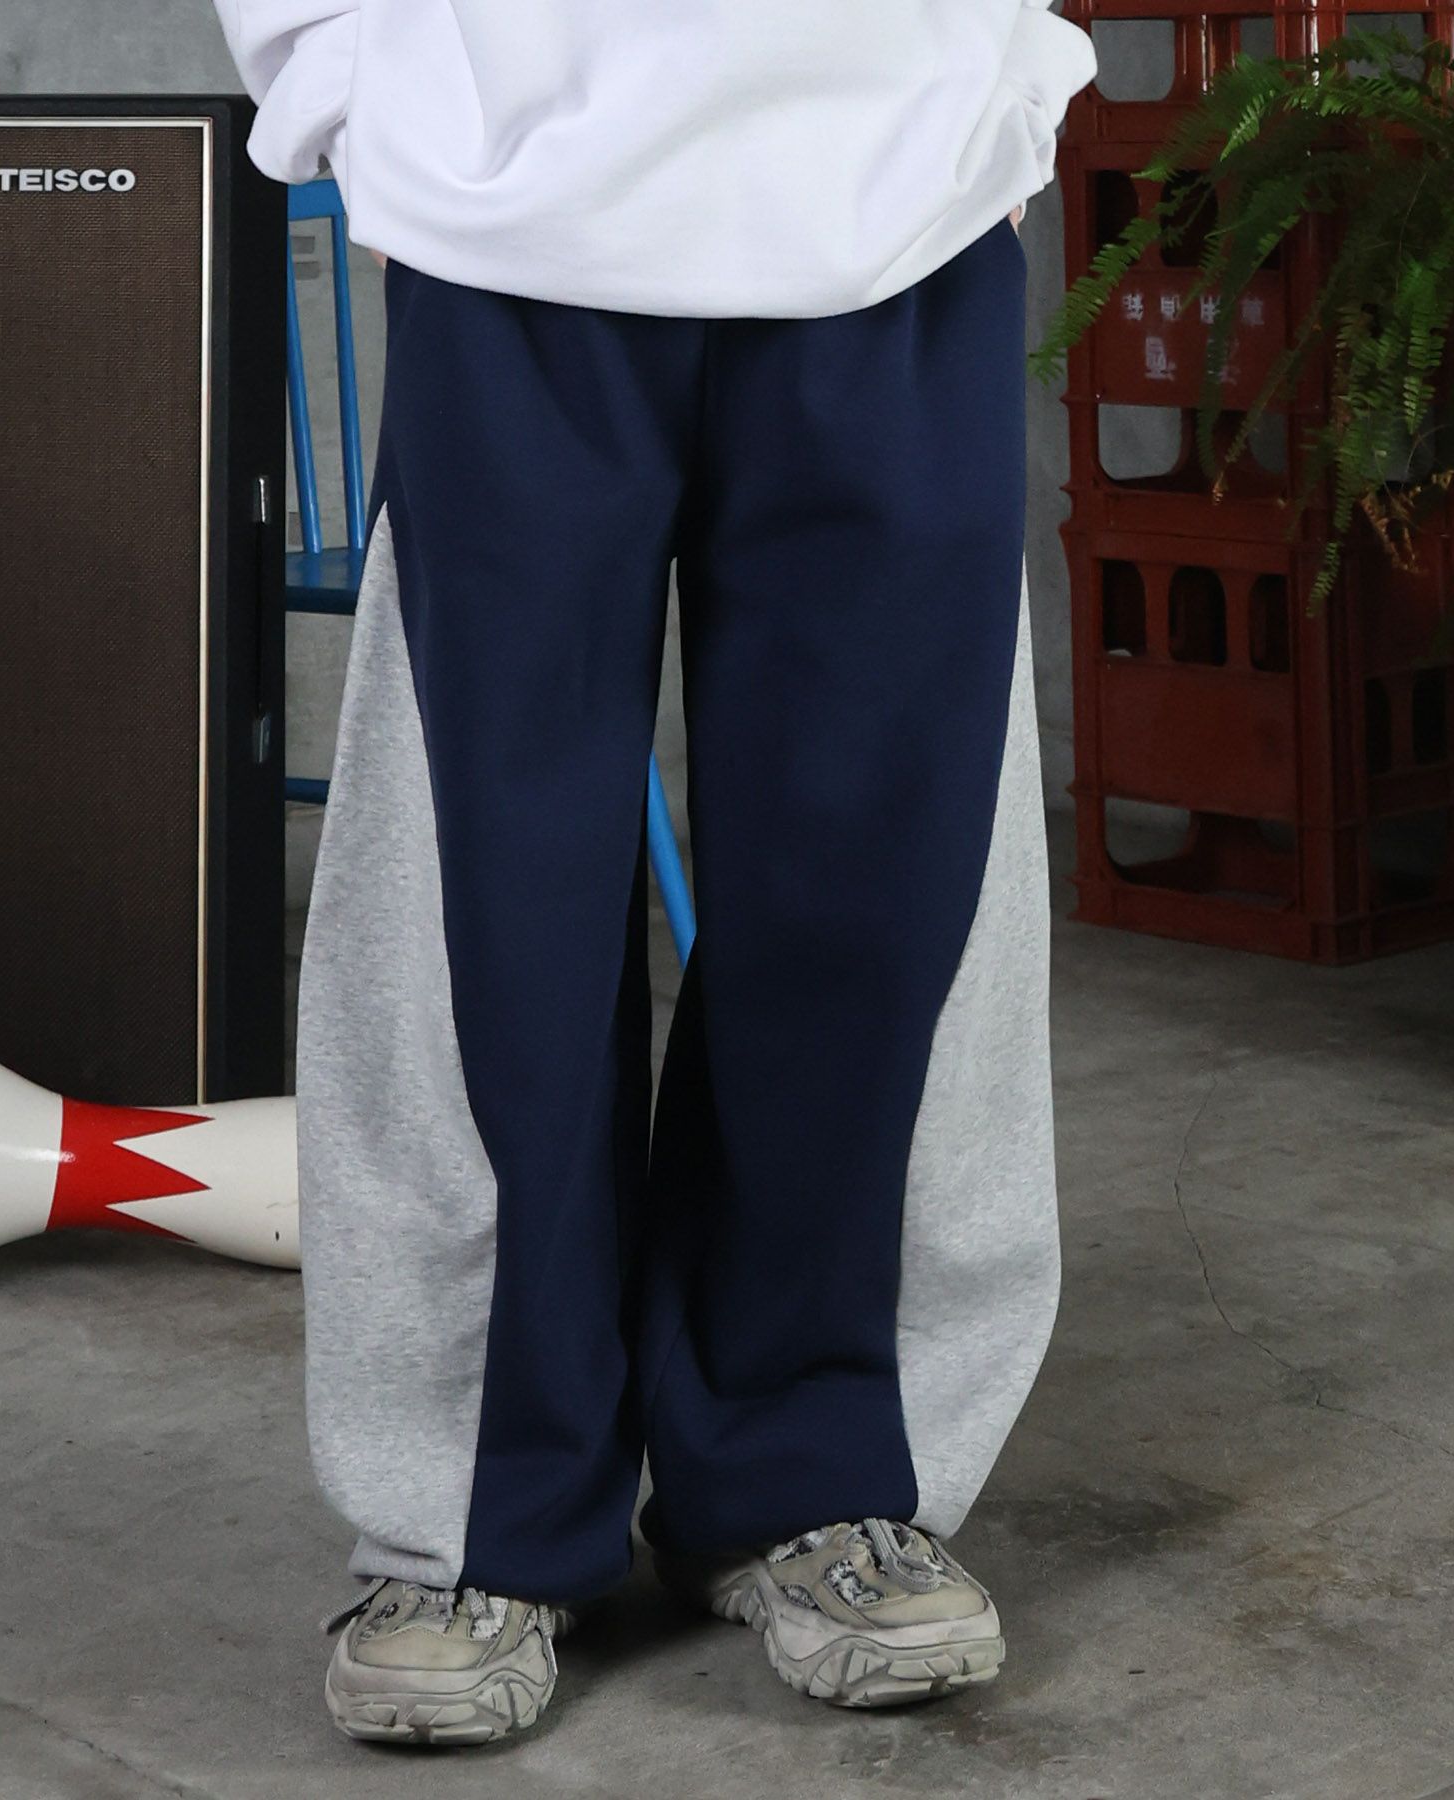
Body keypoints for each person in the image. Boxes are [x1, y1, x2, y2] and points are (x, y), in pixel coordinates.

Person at [215, 0, 1096, 1746]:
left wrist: (1008, 67)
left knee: (888, 892)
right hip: (504, 195)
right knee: (483, 903)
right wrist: (337, 70)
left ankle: (818, 1468)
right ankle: (474, 1513)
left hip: (901, 181)